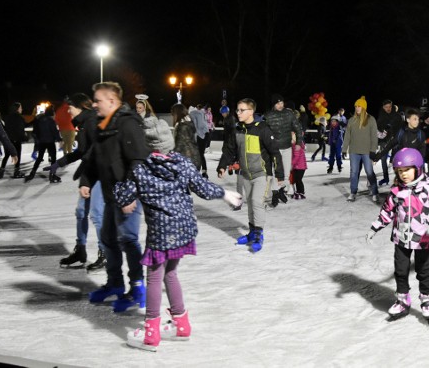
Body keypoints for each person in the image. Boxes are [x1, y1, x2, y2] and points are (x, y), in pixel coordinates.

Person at [117, 116, 242, 351]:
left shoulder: (141, 169)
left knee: (154, 277)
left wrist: (116, 178)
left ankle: (151, 333)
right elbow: (203, 188)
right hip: (184, 229)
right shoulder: (182, 163)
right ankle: (181, 324)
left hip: (161, 233)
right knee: (171, 274)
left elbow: (124, 197)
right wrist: (224, 194)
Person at [79, 81, 149, 312]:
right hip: (111, 195)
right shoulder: (102, 125)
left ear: (112, 101)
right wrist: (87, 180)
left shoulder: (127, 124)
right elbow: (94, 157)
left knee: (128, 239)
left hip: (126, 196)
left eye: (97, 100)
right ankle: (115, 284)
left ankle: (137, 287)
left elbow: (138, 161)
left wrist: (130, 195)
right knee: (108, 239)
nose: (94, 104)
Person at [365, 148, 429, 320]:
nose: (404, 174)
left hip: (423, 239)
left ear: (418, 168)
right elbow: (387, 211)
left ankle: (427, 300)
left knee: (423, 270)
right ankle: (403, 300)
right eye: (400, 171)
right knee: (401, 270)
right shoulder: (397, 191)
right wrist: (375, 227)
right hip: (402, 238)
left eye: (407, 170)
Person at [216, 98, 284, 253]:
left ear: (251, 112)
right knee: (251, 205)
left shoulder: (262, 129)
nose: (238, 113)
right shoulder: (237, 130)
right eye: (238, 110)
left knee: (257, 201)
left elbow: (275, 152)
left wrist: (279, 173)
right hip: (246, 174)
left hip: (262, 174)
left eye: (242, 110)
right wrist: (222, 165)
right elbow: (229, 150)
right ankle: (252, 232)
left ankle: (259, 234)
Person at [53, 93, 106, 271]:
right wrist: (60, 162)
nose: (69, 111)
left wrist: (85, 179)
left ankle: (105, 253)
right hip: (90, 173)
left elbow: (95, 151)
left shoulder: (91, 121)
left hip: (98, 173)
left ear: (81, 107)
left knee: (97, 214)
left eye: (71, 107)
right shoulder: (84, 124)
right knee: (81, 212)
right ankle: (81, 250)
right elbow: (82, 151)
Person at [263, 94, 302, 206]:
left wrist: (299, 142)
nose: (280, 105)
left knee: (285, 173)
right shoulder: (268, 116)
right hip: (274, 149)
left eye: (281, 103)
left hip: (287, 147)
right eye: (277, 103)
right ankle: (275, 193)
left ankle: (280, 190)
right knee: (277, 172)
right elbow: (264, 132)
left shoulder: (289, 114)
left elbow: (298, 127)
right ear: (274, 104)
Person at [344, 96, 379, 202]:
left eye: (359, 106)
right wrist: (344, 149)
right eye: (356, 106)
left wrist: (373, 150)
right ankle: (353, 192)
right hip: (354, 151)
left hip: (367, 151)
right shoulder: (352, 120)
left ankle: (374, 191)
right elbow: (347, 136)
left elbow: (374, 136)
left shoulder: (371, 119)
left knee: (369, 172)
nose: (357, 108)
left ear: (363, 107)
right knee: (354, 172)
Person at [25, 104, 62, 183]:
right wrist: (59, 139)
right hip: (50, 142)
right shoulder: (51, 121)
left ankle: (32, 172)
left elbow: (36, 130)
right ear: (52, 113)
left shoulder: (40, 119)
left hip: (42, 142)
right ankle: (52, 175)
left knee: (39, 158)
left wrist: (38, 139)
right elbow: (54, 132)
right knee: (53, 158)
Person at [375, 100, 401, 186]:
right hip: (384, 140)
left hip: (395, 140)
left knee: (396, 160)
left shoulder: (397, 115)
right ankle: (385, 178)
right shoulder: (381, 116)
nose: (388, 109)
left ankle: (398, 179)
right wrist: (383, 129)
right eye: (386, 107)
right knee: (383, 159)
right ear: (383, 107)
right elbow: (378, 128)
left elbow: (401, 127)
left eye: (389, 106)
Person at [0, 102, 26, 179]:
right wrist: (24, 137)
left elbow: (6, 128)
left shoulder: (7, 117)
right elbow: (21, 129)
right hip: (16, 139)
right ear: (17, 109)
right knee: (17, 155)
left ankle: (1, 171)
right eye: (20, 108)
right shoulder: (19, 117)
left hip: (8, 140)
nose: (21, 109)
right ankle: (16, 172)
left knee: (7, 155)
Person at [171, 103, 202, 169]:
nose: (172, 116)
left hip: (188, 161)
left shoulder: (182, 126)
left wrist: (169, 156)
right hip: (194, 158)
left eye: (173, 114)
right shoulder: (189, 123)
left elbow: (179, 145)